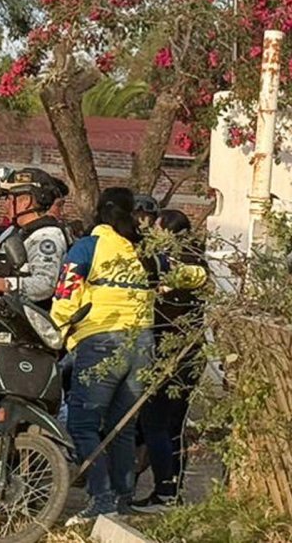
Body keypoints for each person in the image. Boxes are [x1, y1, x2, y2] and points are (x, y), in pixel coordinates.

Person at [52, 188, 203, 525]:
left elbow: (65, 295)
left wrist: (58, 334)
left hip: (99, 343)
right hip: (142, 346)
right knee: (122, 427)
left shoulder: (87, 247)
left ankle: (100, 499)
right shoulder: (145, 252)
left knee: (83, 425)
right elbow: (193, 276)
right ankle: (121, 500)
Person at [133, 209, 204, 513]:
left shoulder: (184, 266)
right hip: (186, 354)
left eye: (158, 230)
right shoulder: (192, 261)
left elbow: (173, 287)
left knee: (157, 424)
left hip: (173, 356)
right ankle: (168, 492)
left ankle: (165, 493)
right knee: (171, 425)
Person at [0, 168, 69, 309]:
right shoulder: (26, 233)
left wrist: (3, 284)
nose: (6, 205)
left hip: (35, 328)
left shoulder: (45, 236)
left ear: (25, 201)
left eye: (10, 199)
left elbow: (45, 284)